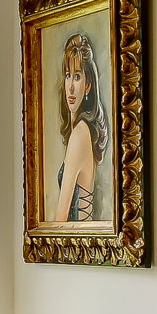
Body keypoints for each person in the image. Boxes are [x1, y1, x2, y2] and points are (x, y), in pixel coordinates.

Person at [50, 30, 108, 224]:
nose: (71, 87)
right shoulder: (82, 131)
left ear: (88, 84)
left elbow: (61, 218)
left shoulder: (80, 134)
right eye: (68, 76)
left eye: (77, 76)